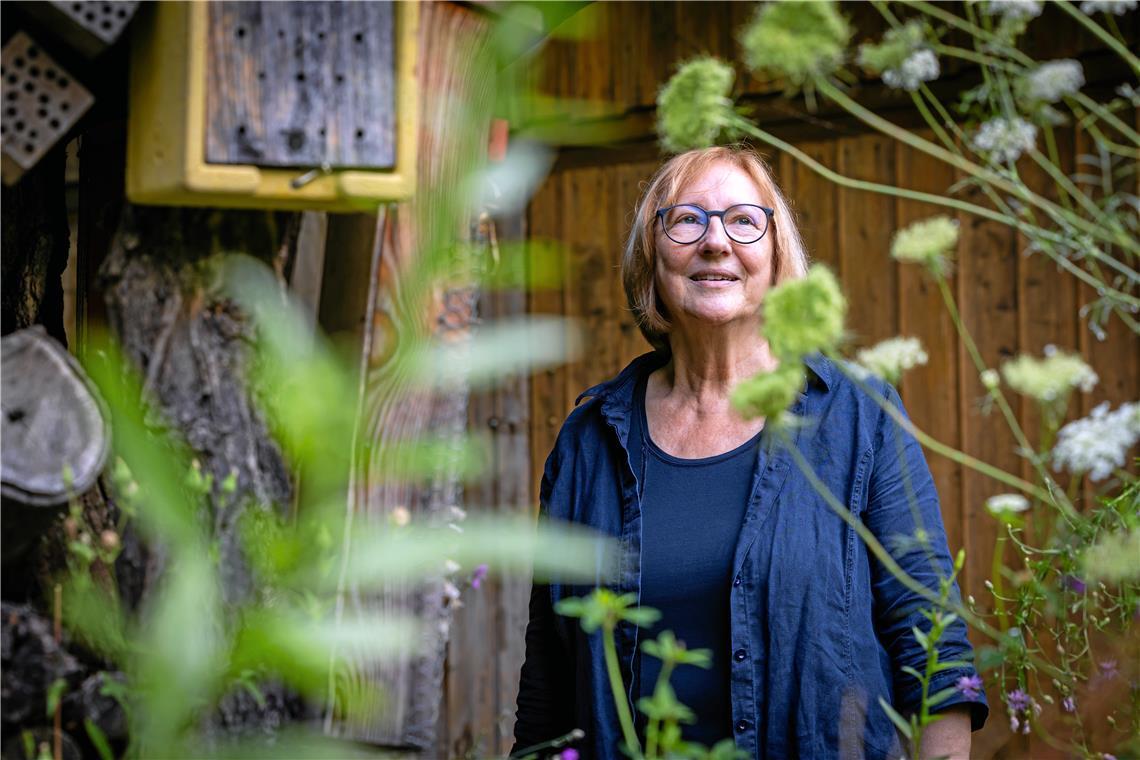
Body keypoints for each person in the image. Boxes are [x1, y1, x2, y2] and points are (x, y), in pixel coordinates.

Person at [512, 146, 987, 759]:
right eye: (686, 220)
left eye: (743, 220)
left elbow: (936, 651)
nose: (715, 242)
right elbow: (548, 685)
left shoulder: (859, 416)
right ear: (650, 256)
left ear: (776, 257)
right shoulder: (587, 440)